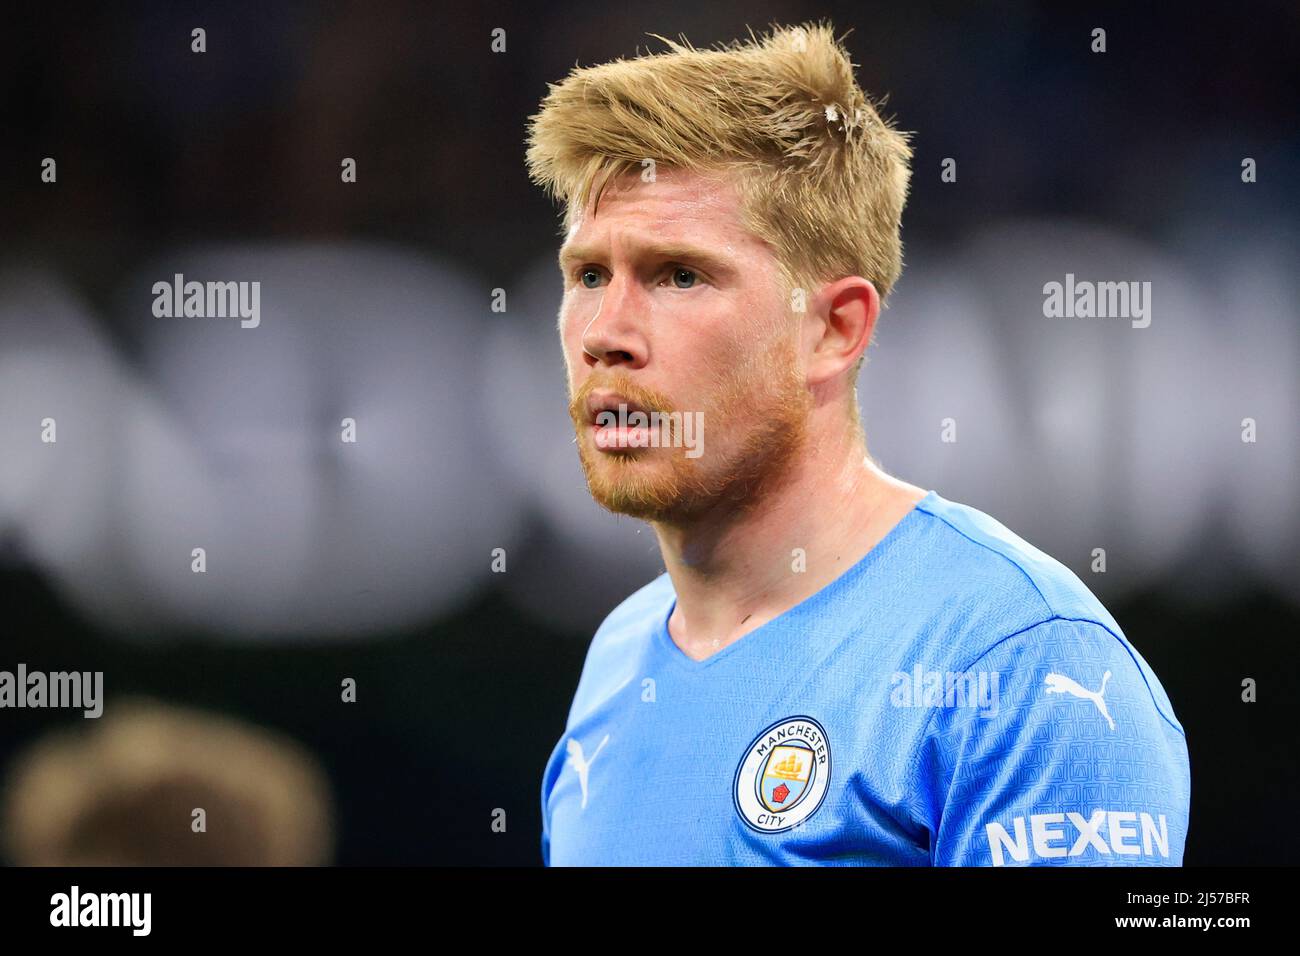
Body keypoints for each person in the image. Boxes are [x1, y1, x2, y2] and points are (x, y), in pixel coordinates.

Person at [525, 21, 1189, 865]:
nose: (605, 333)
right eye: (588, 275)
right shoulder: (619, 663)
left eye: (679, 274)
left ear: (835, 330)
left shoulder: (1024, 665)